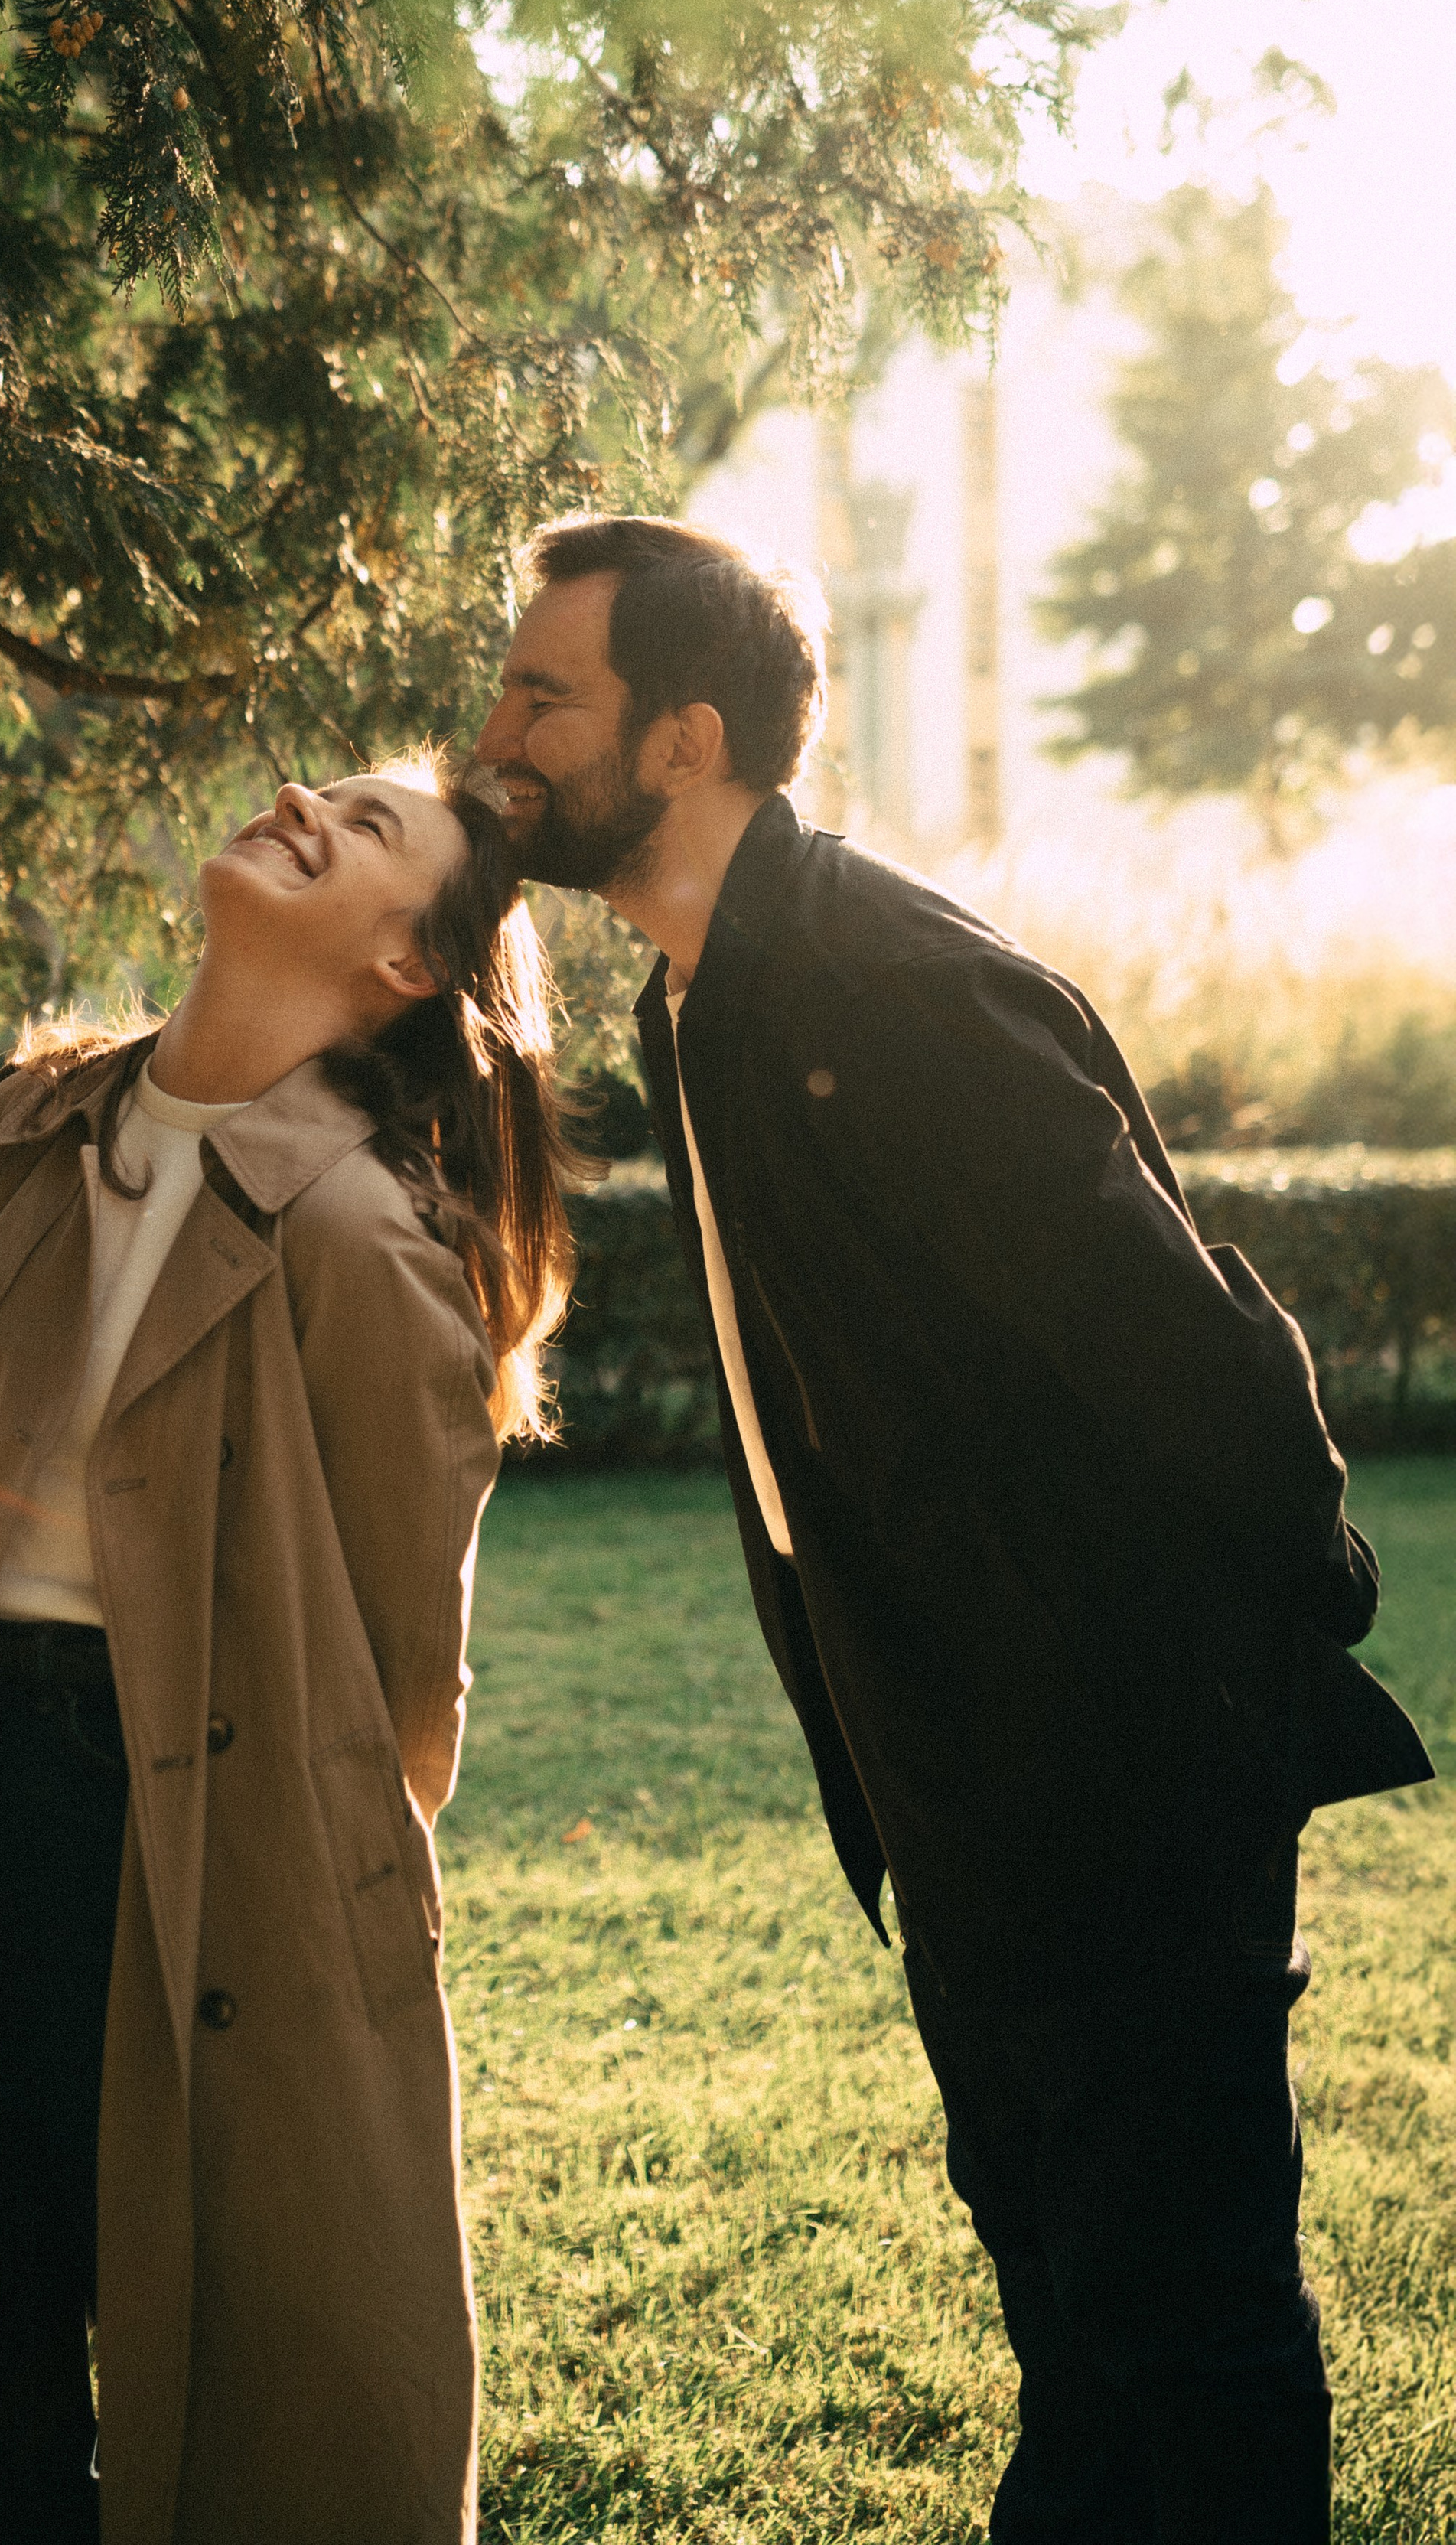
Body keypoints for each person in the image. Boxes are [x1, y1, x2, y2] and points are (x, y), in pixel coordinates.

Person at [474, 513, 1433, 2545]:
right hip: (962, 1781)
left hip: (1110, 1775)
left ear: (686, 737)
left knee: (1189, 2342)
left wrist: (1247, 1652)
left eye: (544, 691)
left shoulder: (883, 987)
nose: (499, 733)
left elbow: (1199, 1356)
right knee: (1081, 2337)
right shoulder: (704, 993)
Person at [0, 753, 588, 2545]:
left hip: (192, 1813)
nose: (300, 800)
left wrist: (300, 1875)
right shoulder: (37, 1122)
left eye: (365, 827)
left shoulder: (360, 1232)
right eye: (320, 787)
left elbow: (400, 1665)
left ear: (407, 964)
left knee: (227, 2322)